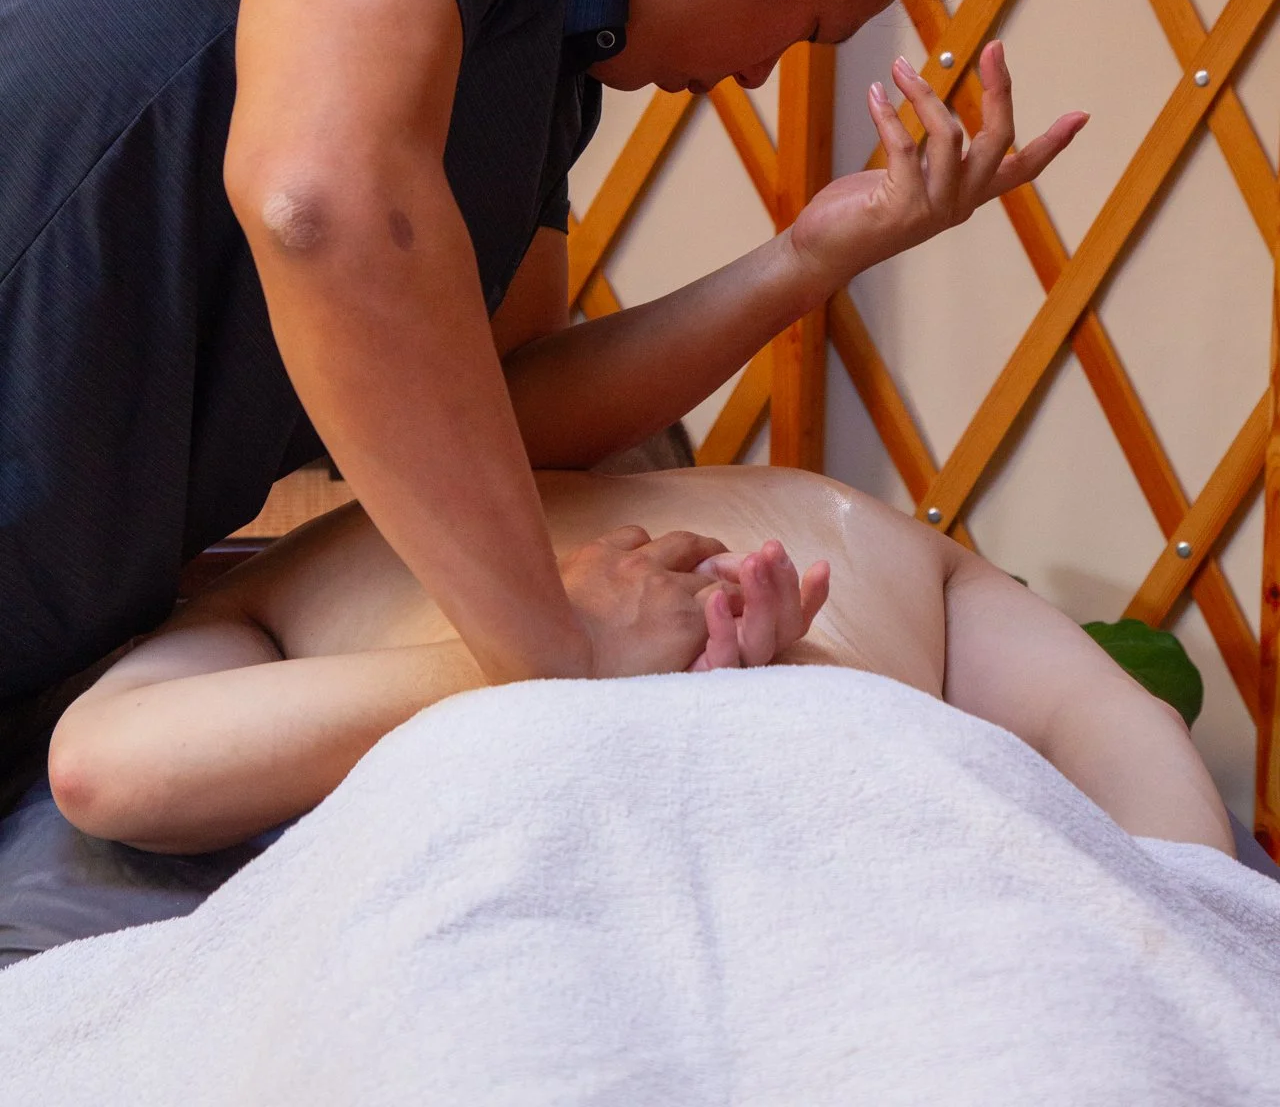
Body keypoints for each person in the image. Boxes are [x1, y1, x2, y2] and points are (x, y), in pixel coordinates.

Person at [0, 0, 1086, 724]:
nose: (758, 74)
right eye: (805, 29)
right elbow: (318, 199)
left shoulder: (551, 69)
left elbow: (506, 411)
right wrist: (552, 652)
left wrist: (810, 255)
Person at [46, 464, 1234, 859]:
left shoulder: (313, 559)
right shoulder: (833, 515)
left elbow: (108, 766)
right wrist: (567, 657)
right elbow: (1115, 727)